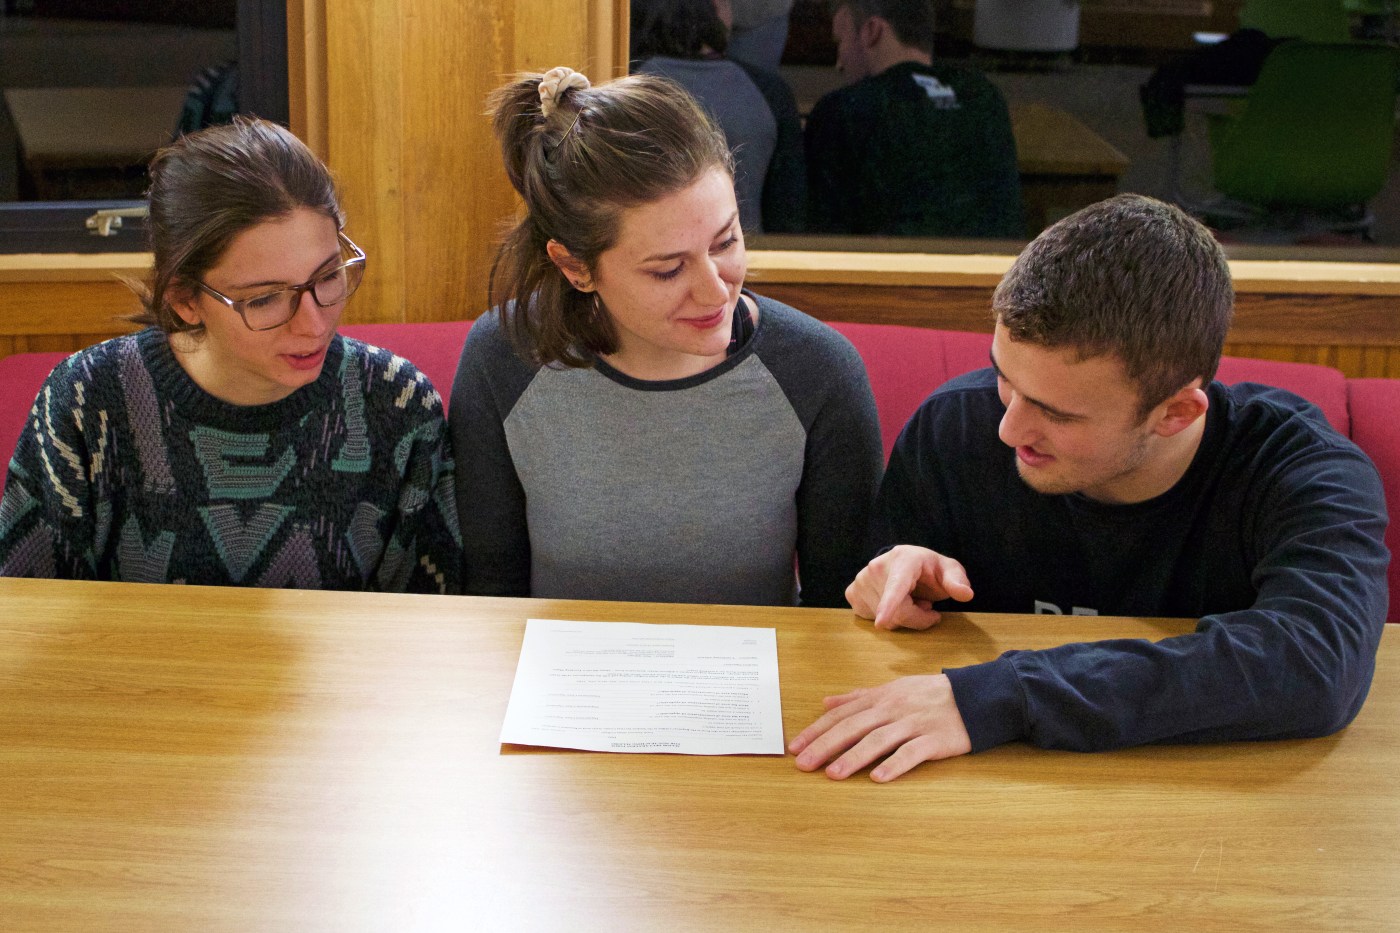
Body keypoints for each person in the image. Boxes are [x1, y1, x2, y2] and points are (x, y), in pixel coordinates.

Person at [790, 194, 1389, 781]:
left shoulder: (1303, 470)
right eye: (1004, 377)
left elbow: (1316, 664)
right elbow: (873, 635)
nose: (1009, 430)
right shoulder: (954, 427)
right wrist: (893, 577)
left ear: (1176, 413)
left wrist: (1003, 696)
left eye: (1058, 413)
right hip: (988, 792)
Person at [450, 67, 882, 607]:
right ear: (575, 267)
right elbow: (491, 597)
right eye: (667, 270)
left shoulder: (819, 371)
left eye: (725, 242)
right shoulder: (504, 356)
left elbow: (842, 611)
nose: (715, 291)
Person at [0, 117, 461, 593]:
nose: (314, 324)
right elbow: (24, 612)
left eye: (328, 277)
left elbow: (431, 618)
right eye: (264, 299)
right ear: (184, 300)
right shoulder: (87, 399)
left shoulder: (398, 402)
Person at [805, 0, 1022, 238]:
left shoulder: (842, 111)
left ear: (872, 31)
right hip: (996, 262)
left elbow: (821, 235)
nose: (839, 63)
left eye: (840, 42)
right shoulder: (984, 99)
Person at [632, 0, 806, 233]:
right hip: (749, 251)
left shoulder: (623, 83)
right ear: (716, 7)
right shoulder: (769, 93)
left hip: (651, 251)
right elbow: (789, 215)